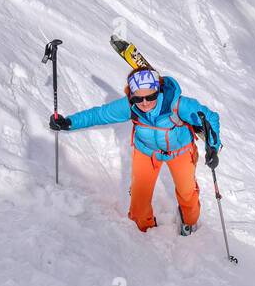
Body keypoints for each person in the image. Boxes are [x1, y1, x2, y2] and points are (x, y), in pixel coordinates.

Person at [50, 68, 221, 235]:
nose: (145, 103)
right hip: (146, 152)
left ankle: (189, 223)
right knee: (139, 201)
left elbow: (210, 117)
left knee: (187, 192)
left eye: (150, 97)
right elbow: (99, 114)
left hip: (180, 151)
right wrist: (68, 122)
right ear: (132, 97)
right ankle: (144, 233)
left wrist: (213, 147)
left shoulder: (179, 105)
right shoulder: (130, 106)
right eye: (139, 98)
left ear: (158, 91)